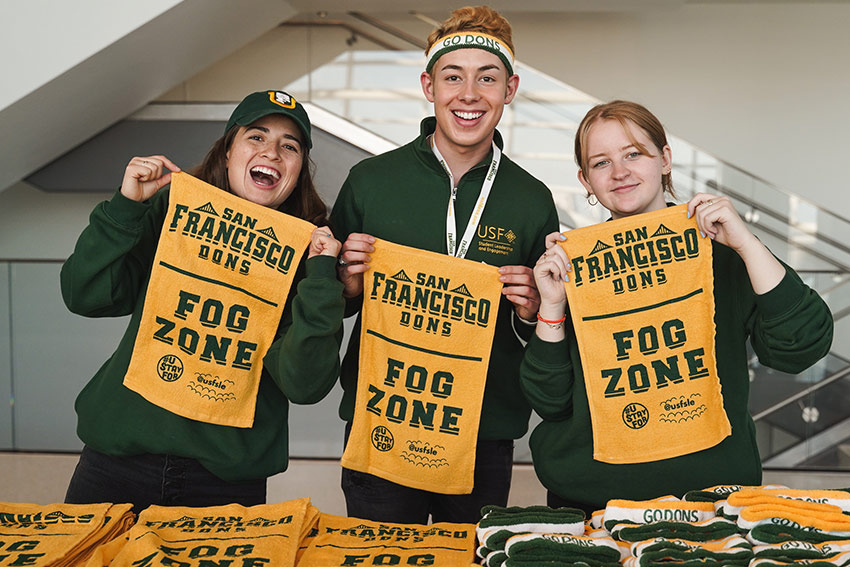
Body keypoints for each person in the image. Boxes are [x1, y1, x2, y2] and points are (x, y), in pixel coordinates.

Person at [521, 100, 834, 515]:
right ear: (585, 180)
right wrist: (553, 307)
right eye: (601, 163)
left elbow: (802, 348)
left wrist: (745, 243)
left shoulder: (721, 249)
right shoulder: (572, 263)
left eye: (634, 153)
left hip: (710, 502)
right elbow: (550, 401)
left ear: (665, 159)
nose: (620, 172)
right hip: (589, 503)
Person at [61, 90, 344, 514]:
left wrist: (322, 275)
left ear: (300, 168)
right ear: (229, 149)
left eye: (290, 146)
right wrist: (125, 208)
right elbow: (85, 294)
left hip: (226, 483)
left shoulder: (309, 253)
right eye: (257, 137)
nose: (272, 152)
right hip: (117, 462)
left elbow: (304, 384)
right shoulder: (169, 208)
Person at [331, 5, 560, 524]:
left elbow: (547, 325)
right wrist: (346, 284)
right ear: (428, 85)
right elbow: (330, 300)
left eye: (488, 78)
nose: (470, 94)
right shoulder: (372, 181)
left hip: (484, 428)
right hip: (384, 417)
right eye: (453, 77)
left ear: (511, 88)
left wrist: (530, 310)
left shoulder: (531, 198)